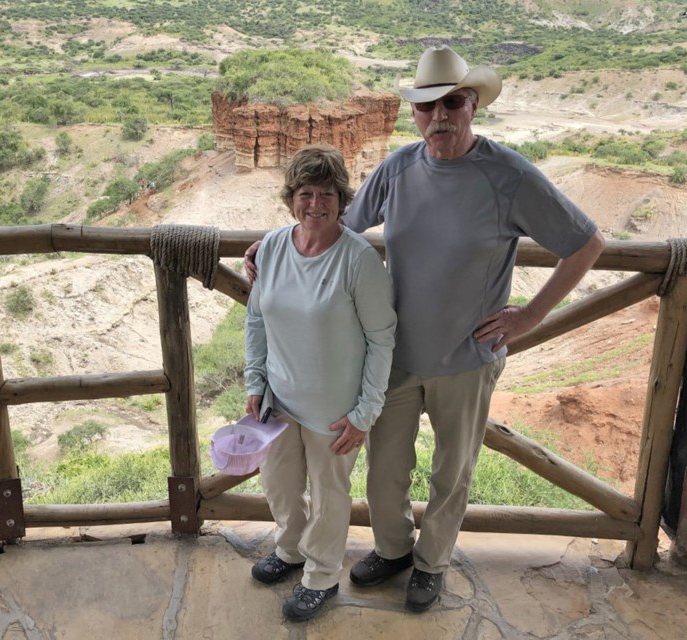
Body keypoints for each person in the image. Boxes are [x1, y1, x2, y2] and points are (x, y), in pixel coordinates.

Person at [245, 45, 605, 613]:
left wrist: (531, 316)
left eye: (452, 103)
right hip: (396, 357)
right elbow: (332, 225)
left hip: (468, 356)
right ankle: (393, 549)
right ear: (415, 113)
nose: (439, 116)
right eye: (426, 105)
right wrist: (272, 249)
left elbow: (587, 243)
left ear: (472, 106)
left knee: (450, 472)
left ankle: (431, 563)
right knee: (386, 472)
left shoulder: (508, 175)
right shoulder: (399, 168)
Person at [244, 144, 396, 622]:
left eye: (326, 193)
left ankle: (322, 575)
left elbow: (382, 339)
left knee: (329, 495)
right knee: (281, 485)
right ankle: (290, 550)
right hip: (280, 399)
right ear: (291, 197)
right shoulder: (271, 247)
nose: (315, 204)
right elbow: (256, 321)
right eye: (305, 193)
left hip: (336, 409)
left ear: (342, 198)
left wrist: (365, 412)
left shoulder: (358, 260)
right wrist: (255, 380)